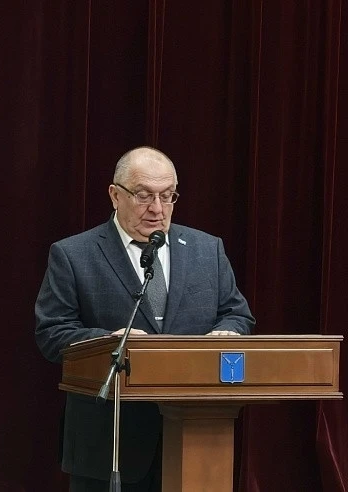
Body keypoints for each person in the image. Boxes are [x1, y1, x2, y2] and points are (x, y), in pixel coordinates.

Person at [35, 146, 255, 491]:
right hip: (109, 444)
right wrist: (108, 342)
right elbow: (52, 332)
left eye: (167, 196)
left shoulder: (207, 249)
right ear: (115, 195)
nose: (157, 208)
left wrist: (227, 332)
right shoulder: (73, 254)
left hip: (194, 440)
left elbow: (236, 313)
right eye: (143, 195)